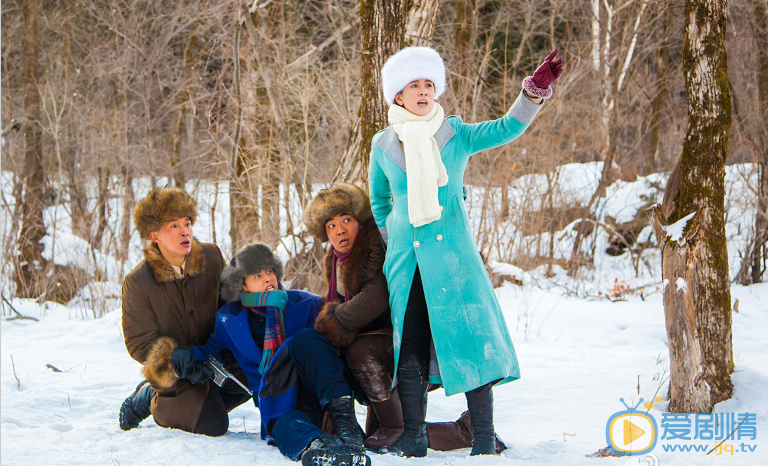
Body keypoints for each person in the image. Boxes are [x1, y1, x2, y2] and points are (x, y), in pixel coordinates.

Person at [368, 46, 563, 457]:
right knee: (412, 347)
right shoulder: (383, 144)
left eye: (428, 85)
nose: (423, 92)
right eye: (413, 86)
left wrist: (532, 94)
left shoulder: (454, 133)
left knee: (470, 340)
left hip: (454, 259)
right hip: (407, 262)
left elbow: (507, 127)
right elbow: (380, 203)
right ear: (397, 96)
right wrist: (395, 239)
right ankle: (414, 436)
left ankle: (484, 437)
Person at [305, 183, 505, 452]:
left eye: (346, 220)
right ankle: (463, 430)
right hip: (383, 351)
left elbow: (376, 297)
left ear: (359, 220)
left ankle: (402, 428)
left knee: (359, 351)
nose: (339, 229)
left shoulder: (374, 244)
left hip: (407, 343)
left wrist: (333, 322)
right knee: (376, 436)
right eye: (330, 225)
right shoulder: (336, 261)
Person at [141, 243, 371, 466]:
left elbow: (336, 345)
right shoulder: (228, 319)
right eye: (257, 276)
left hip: (317, 388)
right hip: (278, 398)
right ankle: (319, 448)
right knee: (283, 427)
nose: (268, 278)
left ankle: (346, 429)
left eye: (269, 271)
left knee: (304, 339)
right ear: (242, 286)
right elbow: (211, 352)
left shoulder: (307, 303)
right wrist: (186, 354)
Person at [119, 187, 249, 435]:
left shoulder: (211, 256)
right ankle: (151, 397)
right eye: (174, 226)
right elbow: (138, 342)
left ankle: (204, 398)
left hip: (213, 359)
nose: (185, 231)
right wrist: (176, 360)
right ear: (155, 235)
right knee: (214, 424)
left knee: (257, 380)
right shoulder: (137, 282)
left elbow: (228, 307)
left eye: (187, 223)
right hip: (176, 373)